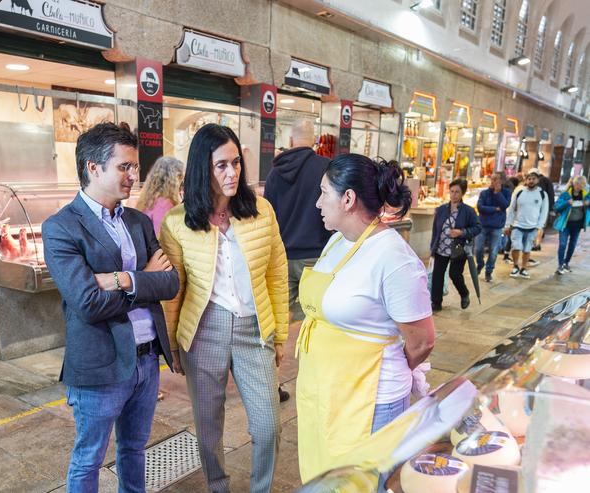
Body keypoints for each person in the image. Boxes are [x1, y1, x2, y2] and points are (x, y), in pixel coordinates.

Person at [42, 123, 179, 493]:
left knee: (134, 448)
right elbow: (87, 302)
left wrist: (123, 279)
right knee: (89, 458)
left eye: (134, 167)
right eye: (125, 167)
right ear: (93, 167)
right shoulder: (61, 228)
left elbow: (170, 282)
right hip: (100, 364)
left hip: (147, 361)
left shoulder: (136, 220)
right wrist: (144, 278)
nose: (134, 176)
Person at [160, 124, 288, 493]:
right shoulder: (178, 222)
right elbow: (174, 292)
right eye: (221, 166)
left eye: (236, 163)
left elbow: (277, 275)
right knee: (208, 427)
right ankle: (219, 487)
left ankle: (260, 488)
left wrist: (279, 333)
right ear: (203, 168)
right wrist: (174, 348)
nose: (232, 173)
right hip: (204, 331)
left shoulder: (261, 210)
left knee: (268, 427)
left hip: (254, 328)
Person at [296, 154, 435, 483]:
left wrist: (380, 362)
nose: (317, 202)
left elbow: (422, 341)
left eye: (324, 192)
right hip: (327, 393)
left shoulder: (395, 259)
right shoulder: (336, 242)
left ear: (348, 199)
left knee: (364, 485)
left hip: (370, 402)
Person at [263, 119, 331, 403]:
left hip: (280, 256)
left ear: (290, 141)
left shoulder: (275, 172)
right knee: (314, 324)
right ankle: (311, 383)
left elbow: (267, 214)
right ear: (314, 142)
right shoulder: (325, 169)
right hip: (315, 258)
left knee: (277, 324)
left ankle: (271, 384)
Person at [430, 179, 481, 311]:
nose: (454, 195)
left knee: (455, 274)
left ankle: (464, 294)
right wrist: (432, 248)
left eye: (457, 192)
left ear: (462, 193)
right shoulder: (441, 210)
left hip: (458, 249)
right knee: (438, 275)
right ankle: (436, 302)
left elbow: (477, 228)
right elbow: (435, 230)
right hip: (441, 247)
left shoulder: (468, 211)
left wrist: (462, 232)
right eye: (452, 191)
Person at [505, 169, 549, 279]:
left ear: (538, 180)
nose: (531, 181)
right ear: (526, 180)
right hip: (517, 225)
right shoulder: (519, 191)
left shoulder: (542, 194)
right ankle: (515, 266)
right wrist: (507, 224)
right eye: (529, 178)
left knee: (527, 249)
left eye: (533, 179)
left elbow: (544, 212)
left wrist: (539, 227)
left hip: (532, 226)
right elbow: (511, 208)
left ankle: (523, 268)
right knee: (516, 246)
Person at [135, 156, 185, 236]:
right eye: (180, 178)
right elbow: (163, 239)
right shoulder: (165, 204)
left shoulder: (148, 199)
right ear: (175, 178)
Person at [475, 174, 511, 283]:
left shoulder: (506, 193)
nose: (493, 181)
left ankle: (488, 271)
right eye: (492, 179)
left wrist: (497, 193)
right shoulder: (484, 193)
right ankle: (480, 264)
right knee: (478, 248)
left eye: (496, 179)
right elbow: (480, 208)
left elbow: (505, 205)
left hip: (497, 226)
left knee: (494, 251)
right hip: (483, 225)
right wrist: (495, 209)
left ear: (501, 181)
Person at [553, 175, 589, 275]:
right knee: (563, 244)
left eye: (582, 185)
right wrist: (566, 203)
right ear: (574, 183)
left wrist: (588, 203)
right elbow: (556, 207)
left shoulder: (586, 194)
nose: (579, 186)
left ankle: (566, 263)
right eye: (578, 184)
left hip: (577, 225)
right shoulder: (565, 194)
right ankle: (560, 265)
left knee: (573, 245)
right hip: (565, 224)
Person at [533, 170, 556, 252]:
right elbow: (551, 195)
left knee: (538, 226)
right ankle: (537, 243)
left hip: (539, 207)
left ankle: (536, 244)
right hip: (546, 207)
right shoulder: (548, 181)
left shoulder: (540, 182)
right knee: (541, 225)